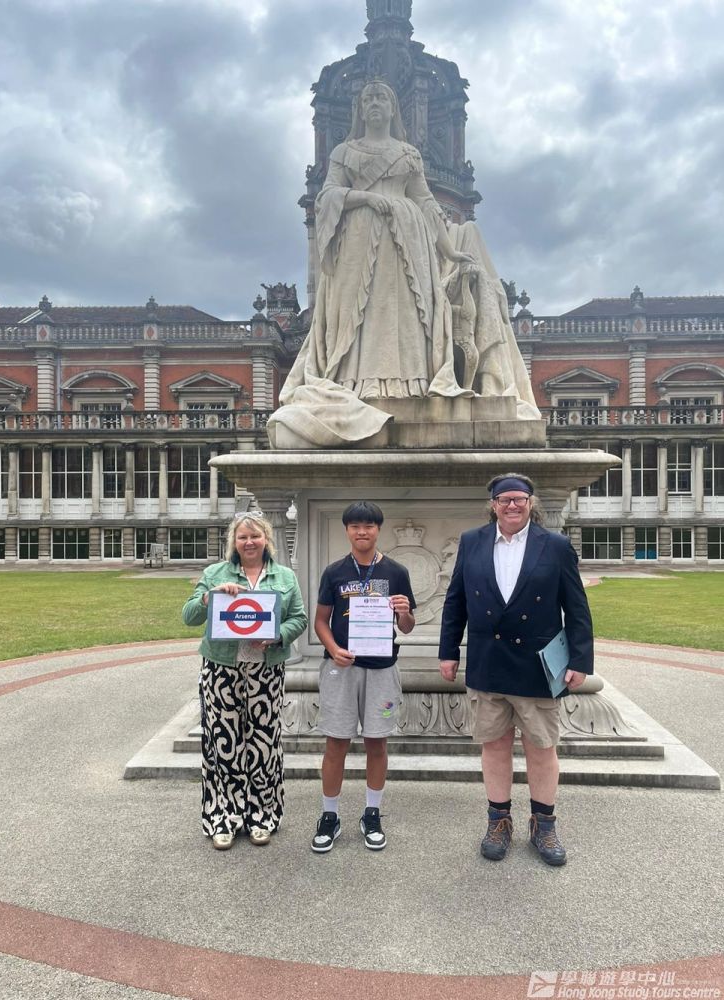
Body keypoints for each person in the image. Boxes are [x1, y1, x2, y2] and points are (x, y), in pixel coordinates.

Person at [268, 80, 477, 449]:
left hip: (408, 238)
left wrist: (448, 249)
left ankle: (409, 382)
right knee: (359, 308)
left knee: (405, 309)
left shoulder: (409, 153)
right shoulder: (344, 153)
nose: (374, 103)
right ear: (360, 109)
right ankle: (356, 380)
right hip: (358, 238)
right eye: (368, 99)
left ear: (393, 108)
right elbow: (327, 195)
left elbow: (426, 202)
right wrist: (363, 197)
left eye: (381, 97)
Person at [438, 474, 594, 866]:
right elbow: (456, 600)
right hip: (488, 660)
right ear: (493, 505)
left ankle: (543, 823)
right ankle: (499, 820)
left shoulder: (555, 545)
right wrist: (448, 651)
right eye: (505, 499)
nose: (512, 505)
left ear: (530, 503)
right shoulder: (472, 541)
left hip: (537, 665)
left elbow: (576, 607)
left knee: (541, 747)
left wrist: (579, 661)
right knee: (494, 744)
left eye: (519, 499)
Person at [182, 512, 307, 851]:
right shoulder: (215, 574)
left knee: (264, 744)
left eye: (255, 536)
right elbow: (188, 616)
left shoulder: (284, 577)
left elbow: (299, 618)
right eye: (242, 537)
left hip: (266, 670)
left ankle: (262, 816)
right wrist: (208, 598)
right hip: (222, 668)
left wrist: (278, 635)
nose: (249, 542)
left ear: (266, 539)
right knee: (223, 743)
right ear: (233, 542)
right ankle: (223, 818)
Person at [311, 501, 416, 853]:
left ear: (378, 530)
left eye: (368, 525)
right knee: (336, 743)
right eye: (355, 525)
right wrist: (332, 648)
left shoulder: (397, 572)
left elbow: (407, 626)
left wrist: (405, 613)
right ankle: (330, 815)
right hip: (342, 669)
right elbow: (321, 621)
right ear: (346, 530)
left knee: (377, 742)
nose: (362, 531)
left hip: (382, 670)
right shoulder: (335, 572)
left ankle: (372, 813)